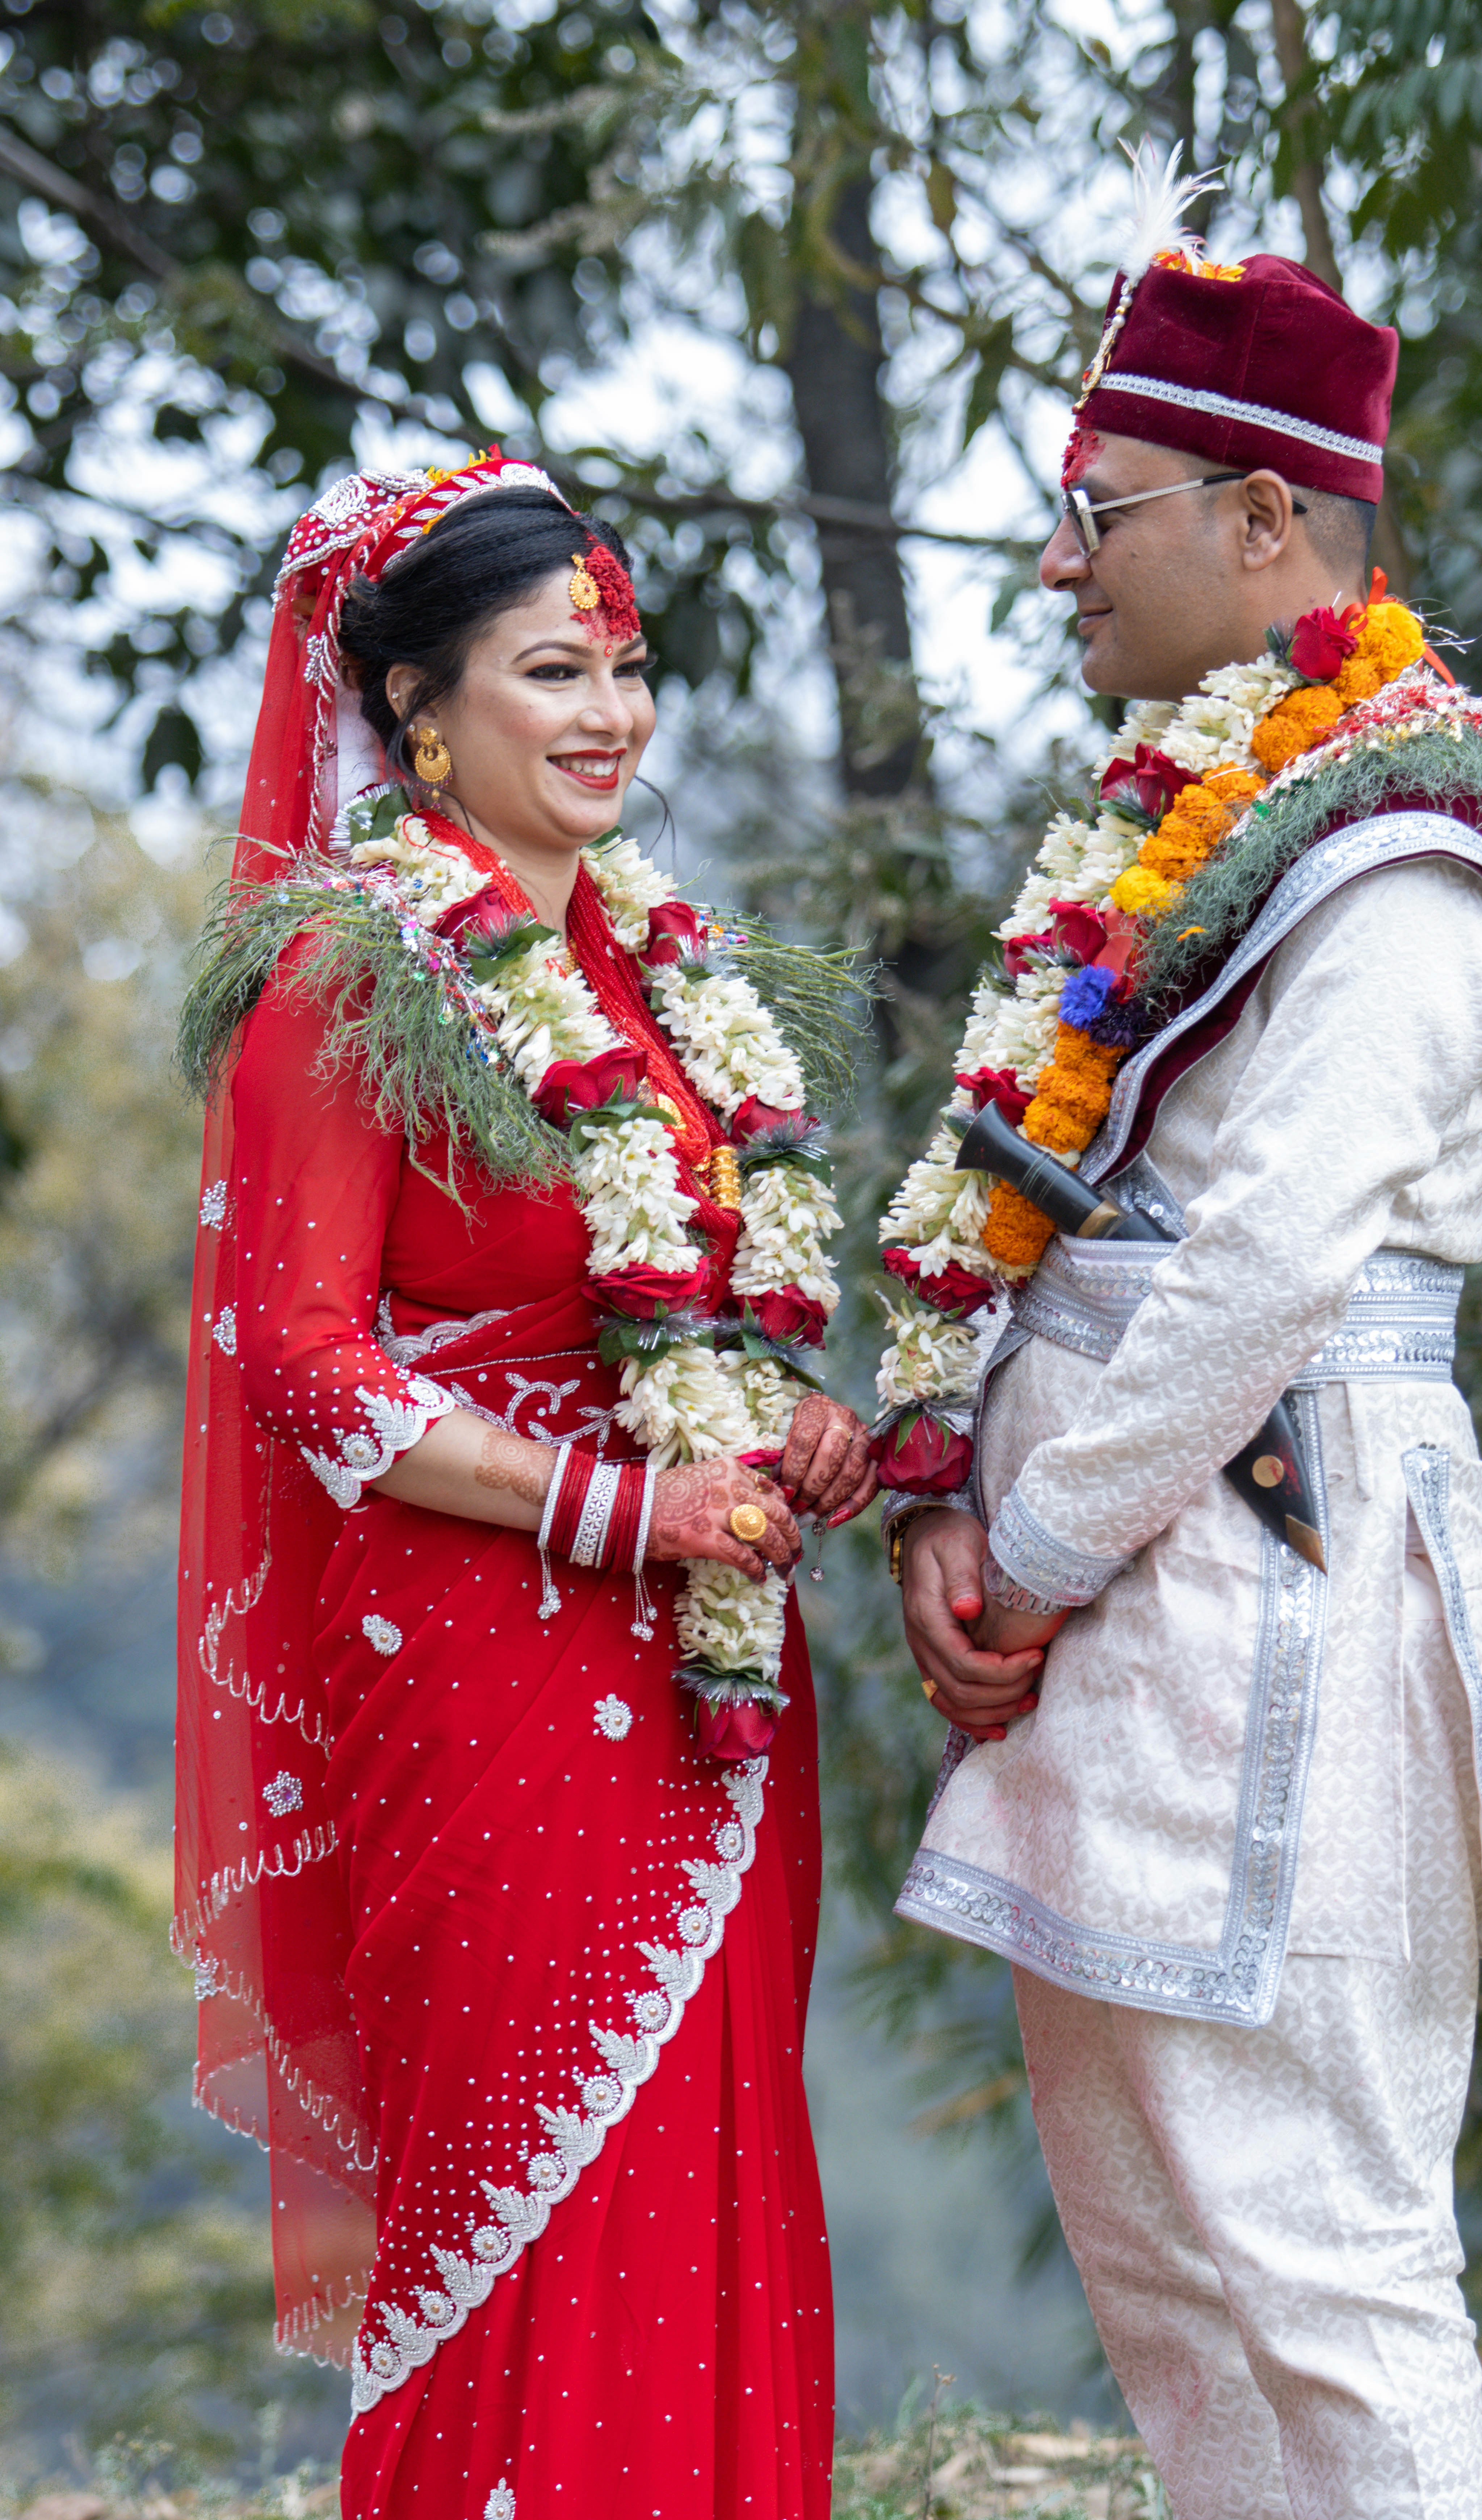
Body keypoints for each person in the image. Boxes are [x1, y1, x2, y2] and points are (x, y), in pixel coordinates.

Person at [872, 165, 1482, 2520]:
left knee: (1322, 2257)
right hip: (1131, 1590)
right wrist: (964, 1508)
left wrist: (1037, 1549)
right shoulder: (1225, 814)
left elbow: (1268, 1256)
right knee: (1172, 2266)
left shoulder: (1408, 857)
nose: (1060, 565)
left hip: (1284, 1567)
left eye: (1102, 513)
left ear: (1269, 514)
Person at [174, 452, 876, 2518]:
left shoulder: (673, 974)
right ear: (413, 710)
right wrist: (614, 1514)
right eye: (552, 670)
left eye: (625, 669)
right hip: (487, 1670)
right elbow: (308, 1363)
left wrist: (791, 1418)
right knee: (526, 2206)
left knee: (712, 2166)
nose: (610, 716)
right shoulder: (346, 977)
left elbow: (704, 1296)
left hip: (713, 1668)